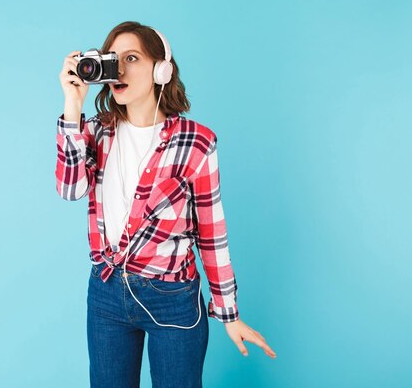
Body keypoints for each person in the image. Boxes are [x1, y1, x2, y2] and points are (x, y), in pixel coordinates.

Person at [55, 21, 276, 388]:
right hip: (107, 294)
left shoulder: (196, 142)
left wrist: (228, 313)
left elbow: (211, 231)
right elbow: (69, 188)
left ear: (162, 69)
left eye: (132, 58)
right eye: (113, 59)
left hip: (172, 298)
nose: (119, 69)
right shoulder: (95, 131)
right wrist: (72, 106)